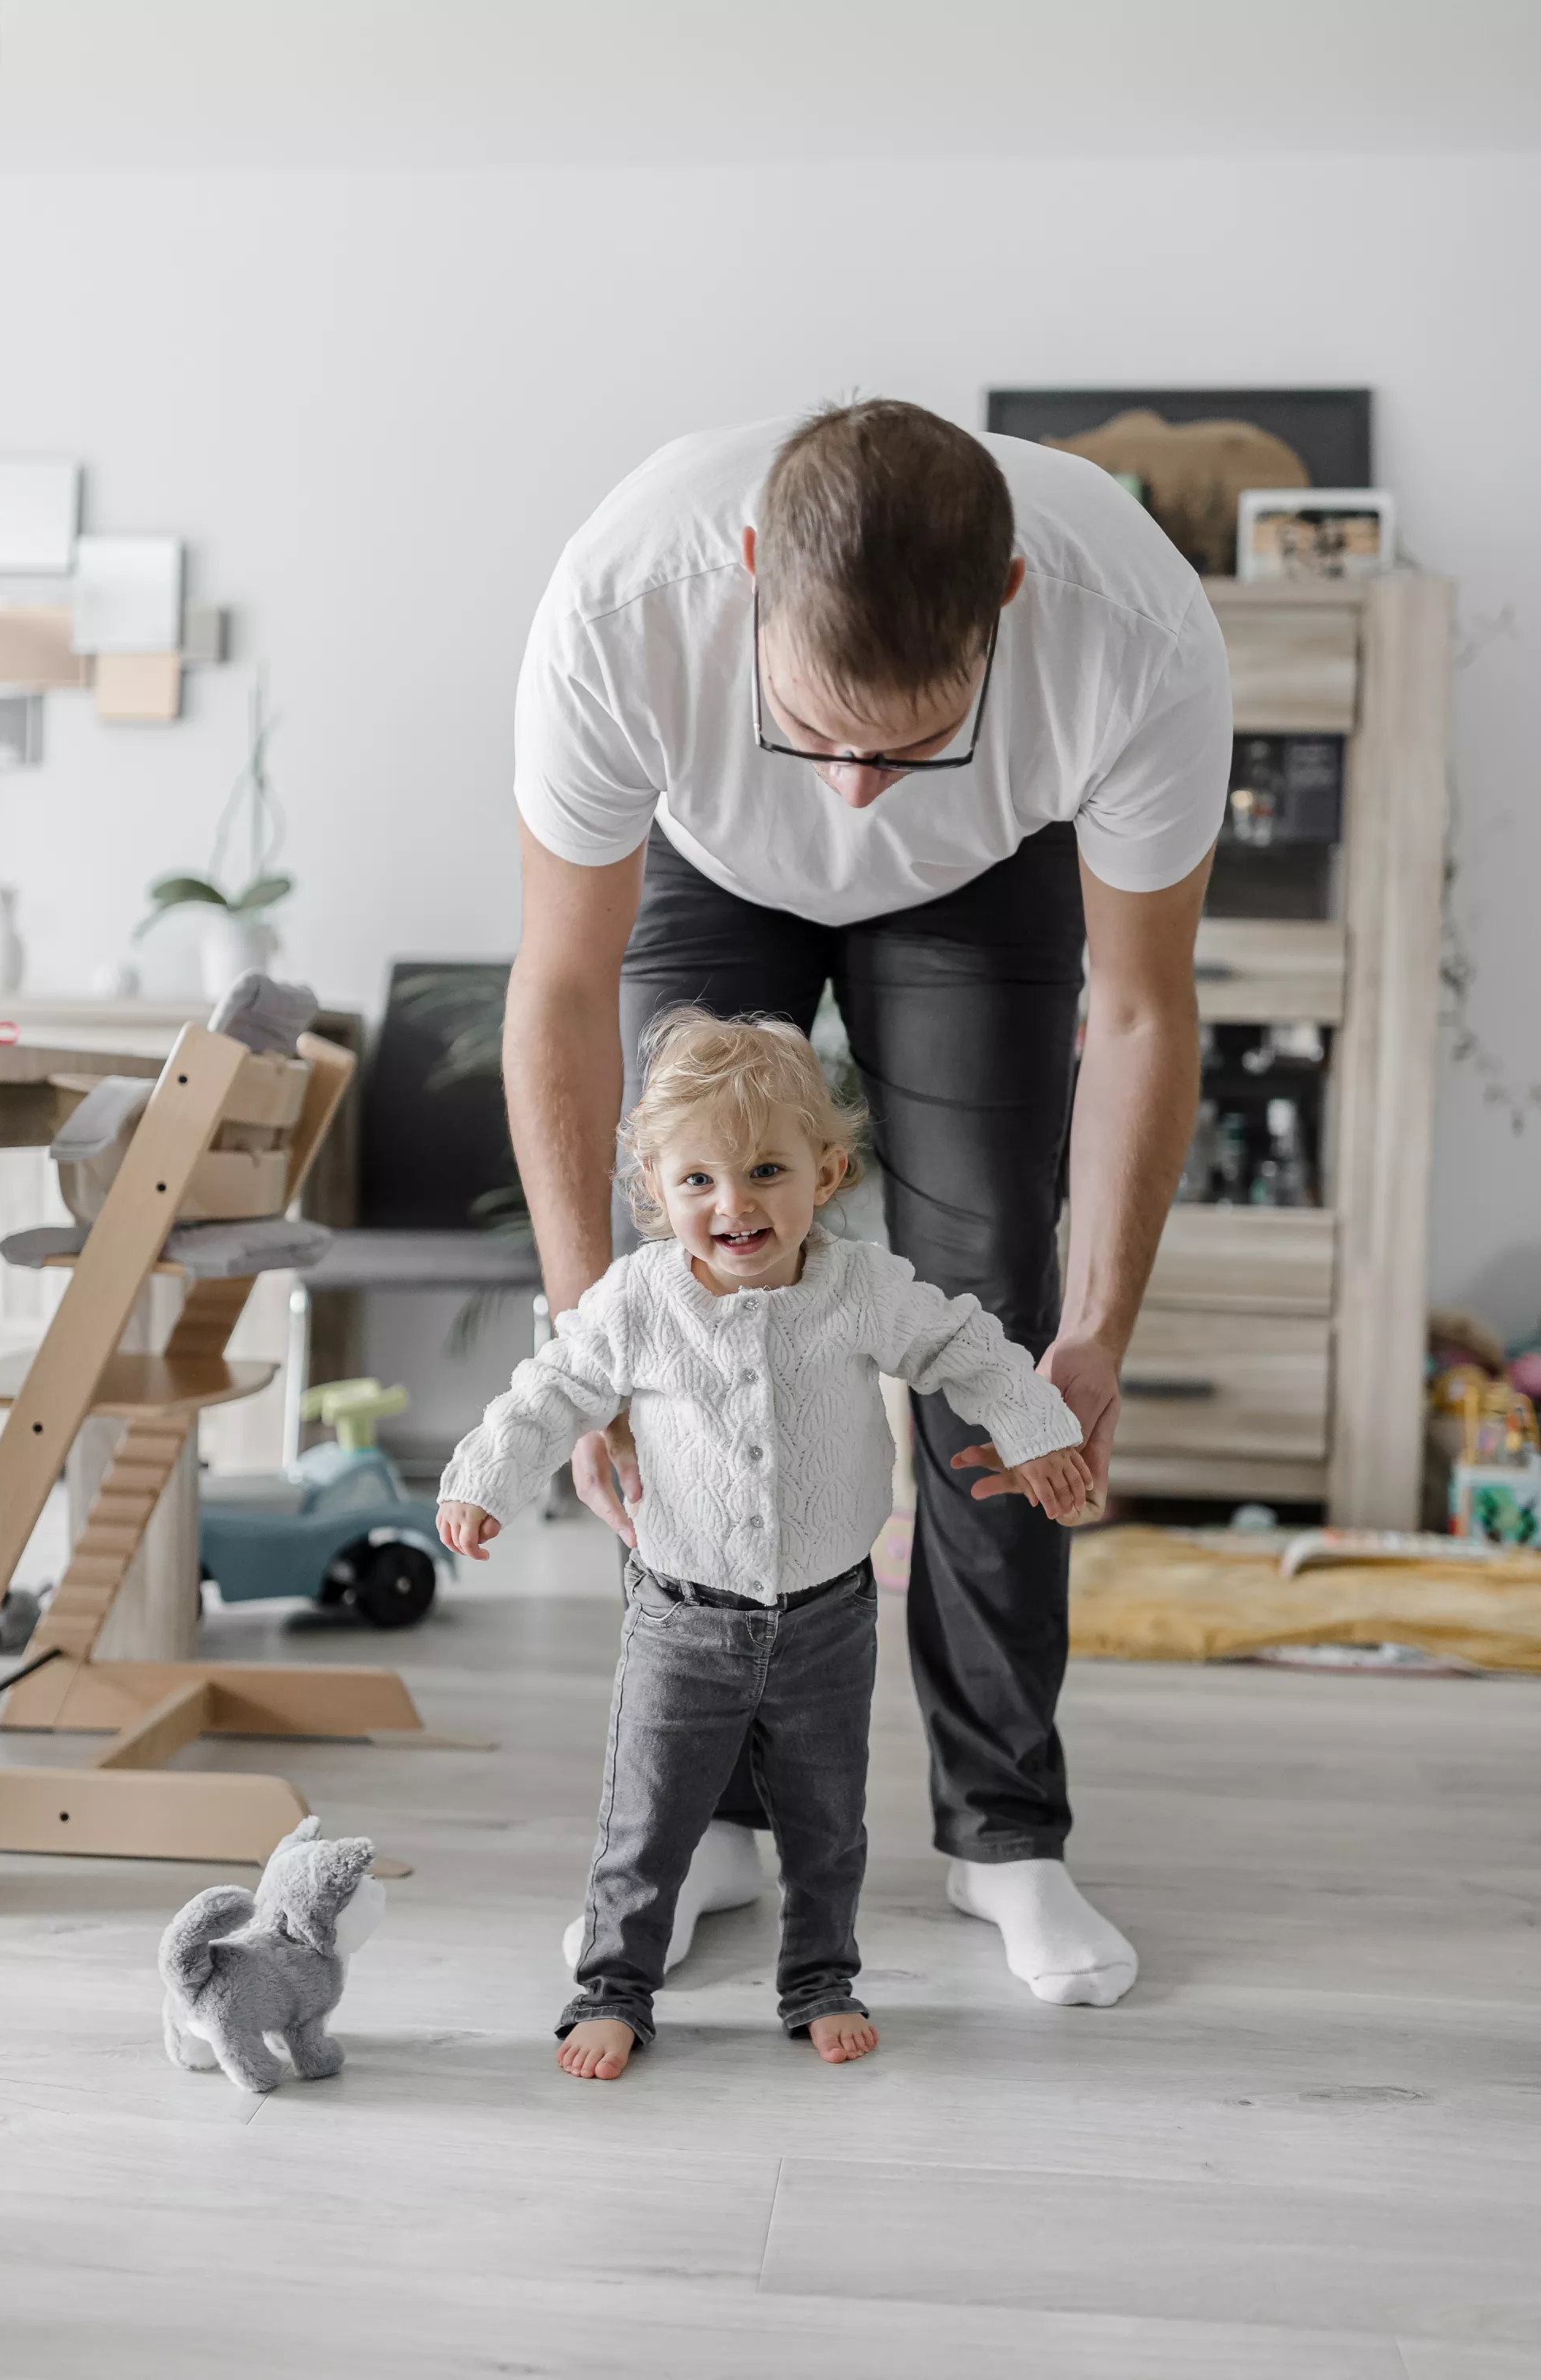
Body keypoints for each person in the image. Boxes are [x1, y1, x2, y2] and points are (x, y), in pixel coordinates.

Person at [502, 399, 1232, 2006]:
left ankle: (1003, 1835)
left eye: (898, 744)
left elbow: (1140, 1013)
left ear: (1007, 608)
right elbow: (558, 990)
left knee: (997, 1331)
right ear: (749, 577)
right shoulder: (623, 610)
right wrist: (585, 1344)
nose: (849, 799)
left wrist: (1097, 1332)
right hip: (698, 866)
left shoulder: (1133, 638)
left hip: (988, 876)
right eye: (820, 732)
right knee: (687, 1310)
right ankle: (710, 1829)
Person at [438, 1012, 1091, 2079]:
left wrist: (1035, 1426)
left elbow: (967, 1347)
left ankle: (821, 1978)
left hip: (830, 1617)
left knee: (827, 1823)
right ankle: (613, 1987)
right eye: (697, 1181)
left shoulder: (863, 1286)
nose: (733, 1204)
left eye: (766, 1170)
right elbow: (551, 1392)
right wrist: (484, 1481)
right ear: (654, 1190)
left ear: (827, 1173)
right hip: (680, 1620)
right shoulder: (640, 1301)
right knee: (645, 1819)